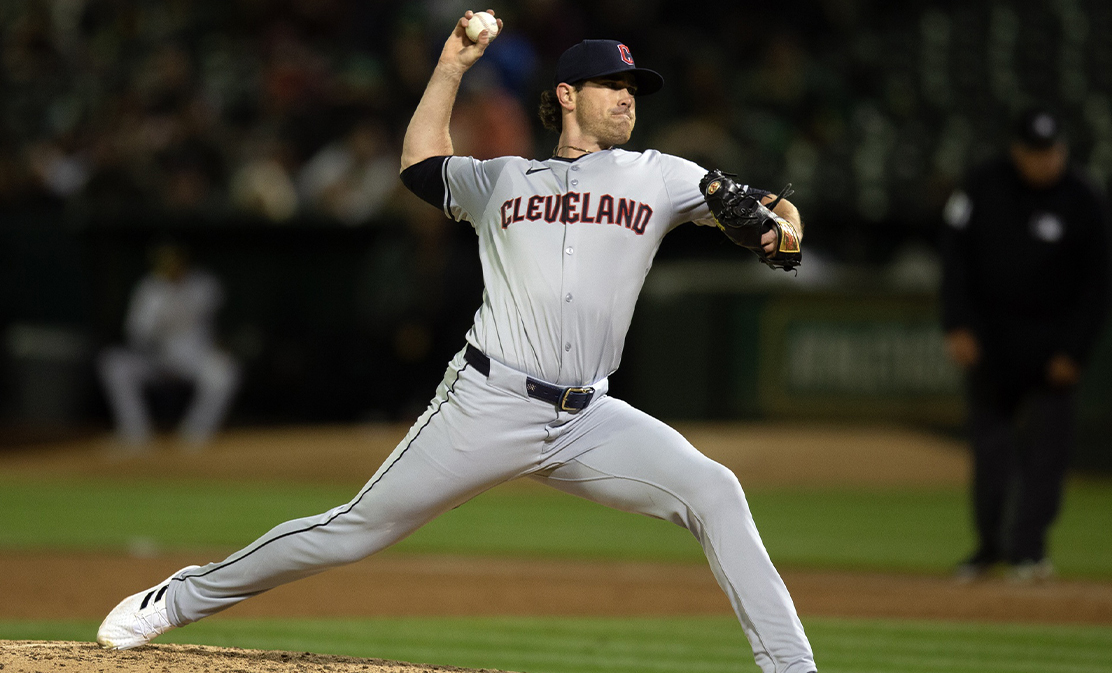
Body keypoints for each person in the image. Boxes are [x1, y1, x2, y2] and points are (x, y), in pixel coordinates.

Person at [97, 12, 816, 672]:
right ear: (567, 94)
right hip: (487, 400)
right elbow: (418, 167)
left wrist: (775, 224)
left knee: (715, 489)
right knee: (351, 530)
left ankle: (792, 667)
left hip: (587, 417)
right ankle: (178, 599)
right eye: (613, 84)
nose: (629, 96)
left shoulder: (663, 175)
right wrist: (452, 64)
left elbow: (765, 214)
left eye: (635, 87)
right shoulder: (501, 180)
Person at [940, 108, 1112, 582]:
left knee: (1046, 457)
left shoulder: (1083, 198)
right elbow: (954, 261)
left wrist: (1075, 351)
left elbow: (1100, 285)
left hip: (1052, 348)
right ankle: (988, 548)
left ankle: (1029, 550)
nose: (1045, 161)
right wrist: (957, 325)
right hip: (991, 345)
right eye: (1035, 152)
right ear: (1017, 151)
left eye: (1052, 151)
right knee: (991, 452)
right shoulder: (982, 186)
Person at [97, 242, 240, 448]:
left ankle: (195, 435)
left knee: (225, 372)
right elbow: (136, 334)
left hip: (195, 358)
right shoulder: (149, 290)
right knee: (114, 364)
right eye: (164, 262)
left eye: (174, 261)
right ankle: (135, 434)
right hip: (159, 359)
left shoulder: (204, 284)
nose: (170, 267)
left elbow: (220, 319)